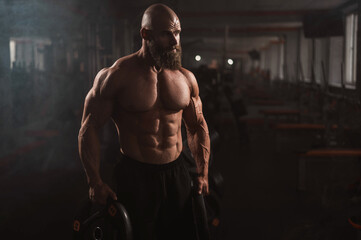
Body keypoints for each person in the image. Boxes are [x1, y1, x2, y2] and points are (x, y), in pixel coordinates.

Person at [78, 3, 210, 240]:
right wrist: (95, 181)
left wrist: (203, 173)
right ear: (145, 34)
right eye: (166, 33)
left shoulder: (185, 78)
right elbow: (88, 128)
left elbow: (197, 126)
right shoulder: (115, 76)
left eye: (177, 33)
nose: (175, 41)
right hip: (135, 177)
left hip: (177, 173)